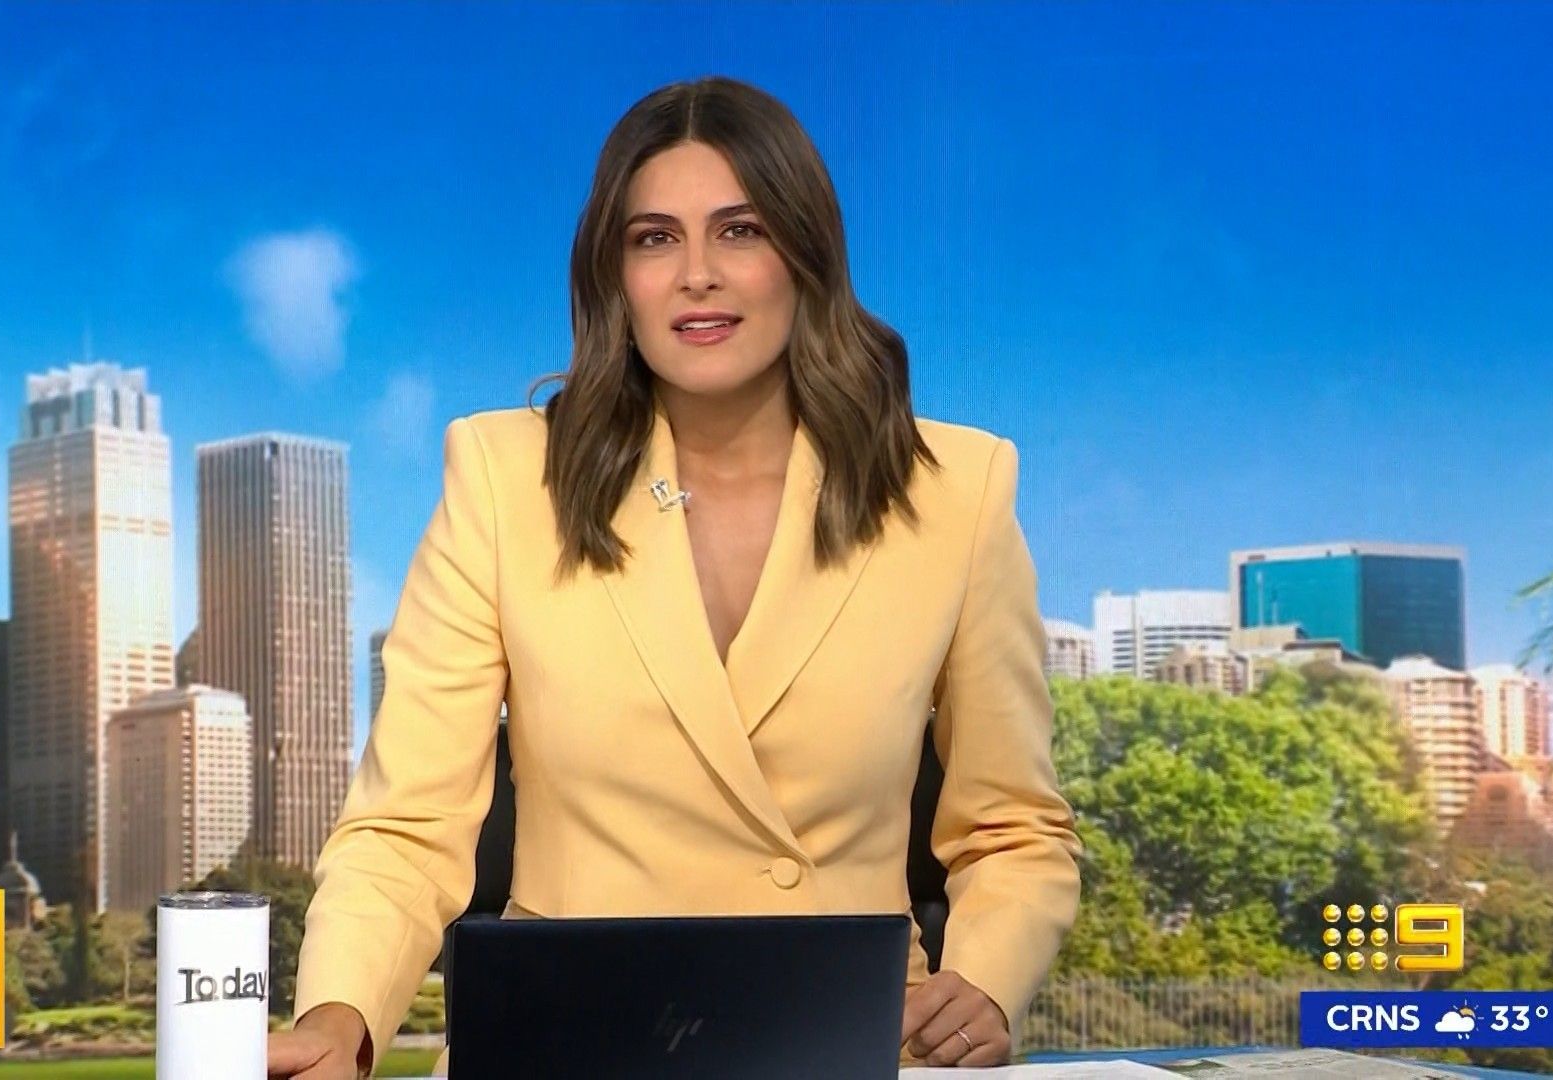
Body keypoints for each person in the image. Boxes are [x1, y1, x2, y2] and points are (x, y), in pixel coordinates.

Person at [267, 75, 1082, 1080]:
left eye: (740, 231)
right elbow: (407, 826)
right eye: (655, 239)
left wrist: (984, 981)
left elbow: (1013, 829)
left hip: (854, 1047)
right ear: (616, 276)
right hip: (560, 1054)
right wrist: (339, 1021)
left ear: (806, 255)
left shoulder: (955, 490)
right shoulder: (504, 478)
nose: (698, 274)